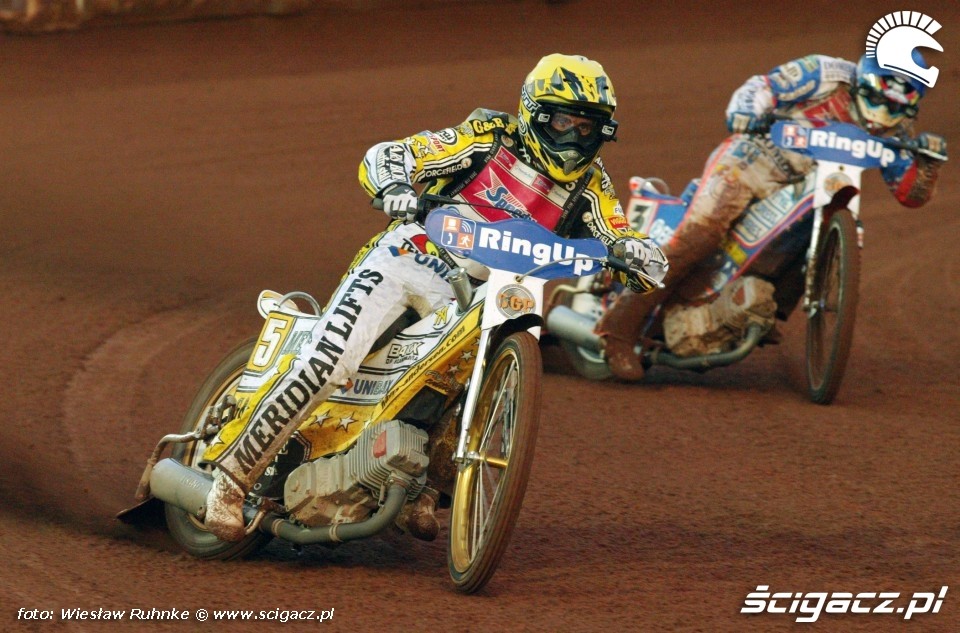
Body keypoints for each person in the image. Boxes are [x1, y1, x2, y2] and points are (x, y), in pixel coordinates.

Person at [201, 53, 667, 541]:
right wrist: (394, 184)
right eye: (564, 122)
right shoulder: (489, 136)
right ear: (535, 113)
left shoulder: (593, 187)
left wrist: (639, 255)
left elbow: (622, 235)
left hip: (483, 295)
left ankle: (422, 488)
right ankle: (231, 480)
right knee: (331, 358)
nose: (573, 138)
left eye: (587, 127)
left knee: (484, 383)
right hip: (412, 259)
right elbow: (396, 153)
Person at [596, 53, 948, 380]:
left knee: (810, 235)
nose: (883, 114)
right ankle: (618, 330)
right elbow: (763, 87)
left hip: (808, 187)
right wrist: (747, 110)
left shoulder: (898, 133)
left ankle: (758, 309)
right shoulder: (826, 73)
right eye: (879, 99)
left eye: (896, 108)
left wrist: (928, 165)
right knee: (702, 234)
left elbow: (909, 194)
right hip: (754, 159)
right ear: (865, 82)